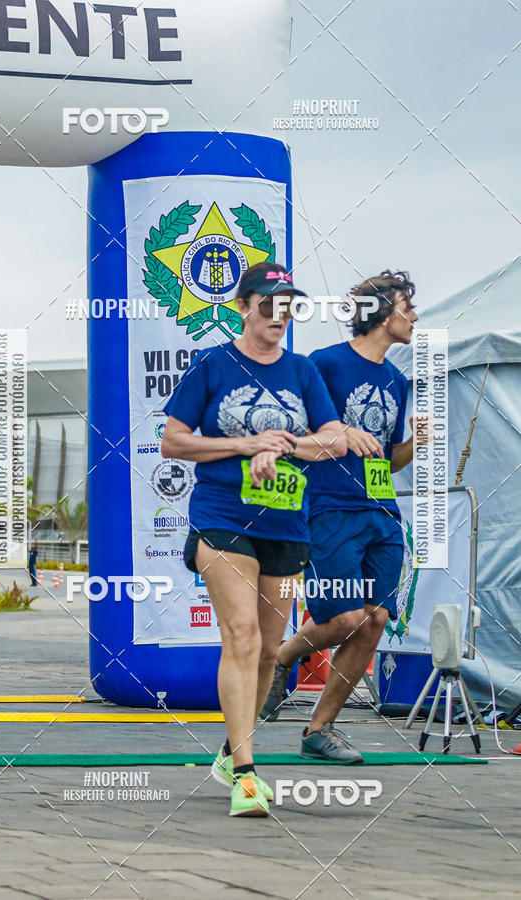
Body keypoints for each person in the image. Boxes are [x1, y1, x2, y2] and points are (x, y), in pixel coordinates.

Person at [161, 261, 346, 816]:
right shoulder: (213, 364)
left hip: (286, 523)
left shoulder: (303, 371)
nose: (279, 314)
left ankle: (230, 746)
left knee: (268, 647)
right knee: (239, 634)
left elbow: (334, 439)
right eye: (268, 303)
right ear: (243, 307)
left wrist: (284, 445)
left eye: (287, 305)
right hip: (223, 517)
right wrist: (245, 446)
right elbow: (173, 441)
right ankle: (245, 774)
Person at [261, 269, 434, 763]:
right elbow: (289, 437)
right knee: (343, 618)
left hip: (382, 511)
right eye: (408, 305)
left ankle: (321, 728)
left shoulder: (398, 380)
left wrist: (412, 445)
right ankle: (284, 658)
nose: (416, 316)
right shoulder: (324, 365)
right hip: (330, 508)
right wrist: (337, 438)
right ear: (382, 312)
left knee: (375, 620)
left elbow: (385, 459)